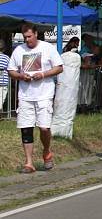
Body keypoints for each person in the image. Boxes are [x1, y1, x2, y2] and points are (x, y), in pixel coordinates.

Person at [6, 23, 64, 173]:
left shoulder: (47, 48)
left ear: (36, 34)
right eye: (25, 37)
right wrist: (20, 76)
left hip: (44, 94)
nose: (27, 40)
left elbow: (59, 67)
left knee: (44, 128)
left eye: (29, 37)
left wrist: (43, 74)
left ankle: (46, 151)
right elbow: (11, 70)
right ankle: (29, 163)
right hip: (25, 95)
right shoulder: (18, 50)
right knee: (26, 128)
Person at [0, 39, 9, 111]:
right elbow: (10, 68)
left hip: (3, 82)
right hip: (3, 82)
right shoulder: (6, 58)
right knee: (1, 98)